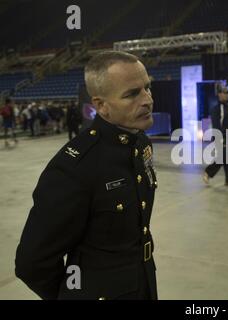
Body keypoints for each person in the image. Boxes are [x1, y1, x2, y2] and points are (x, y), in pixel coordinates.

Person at [15, 50, 158, 300]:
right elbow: (32, 263)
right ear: (101, 105)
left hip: (142, 283)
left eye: (147, 87)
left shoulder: (140, 143)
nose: (147, 99)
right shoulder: (75, 167)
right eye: (132, 94)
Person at [203, 85, 228, 187]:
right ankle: (208, 172)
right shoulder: (216, 109)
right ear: (219, 94)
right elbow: (216, 124)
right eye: (225, 93)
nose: (227, 95)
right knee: (223, 157)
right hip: (221, 136)